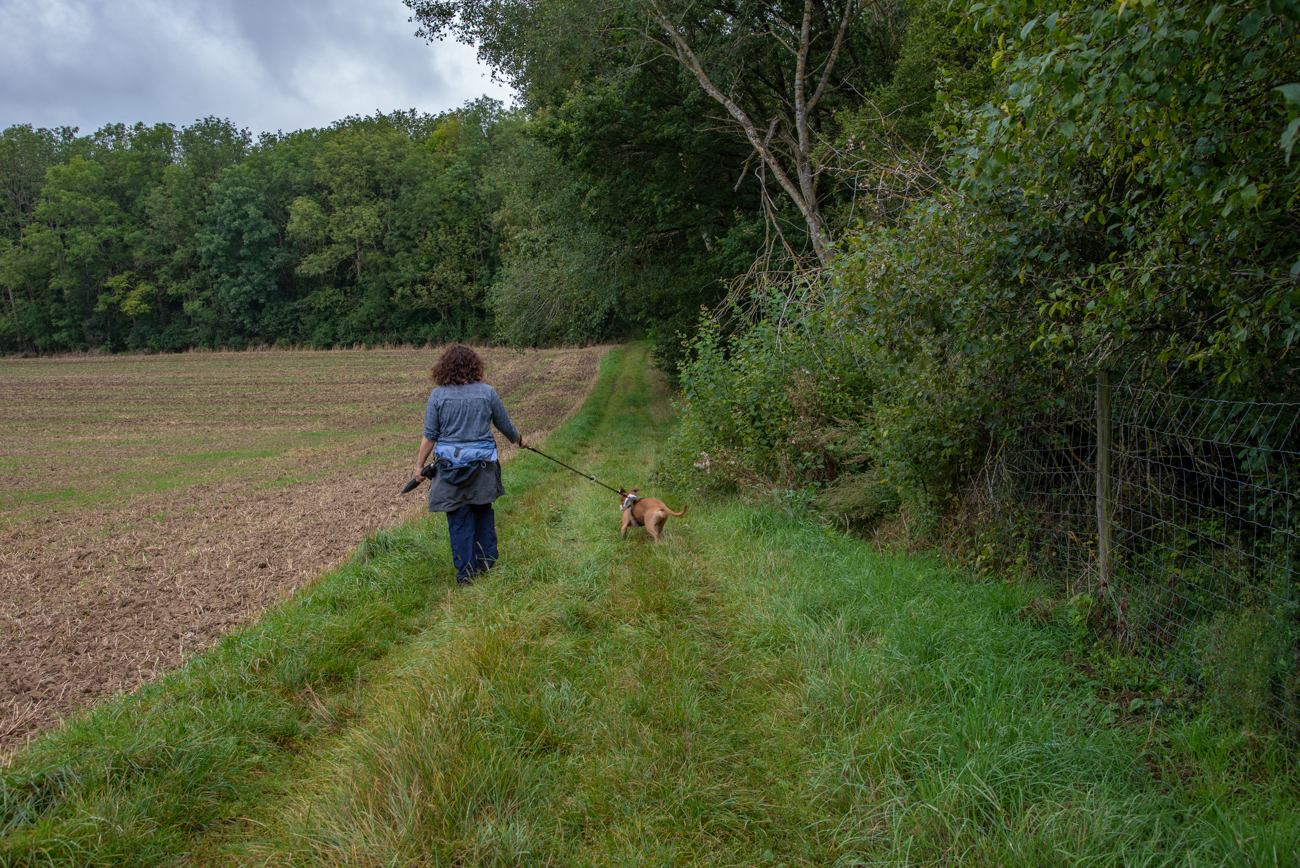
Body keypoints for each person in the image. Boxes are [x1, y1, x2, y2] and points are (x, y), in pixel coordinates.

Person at [416, 345, 526, 586]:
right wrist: (520, 441)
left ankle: (466, 575)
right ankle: (485, 563)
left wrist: (419, 467)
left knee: (459, 519)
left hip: (449, 471)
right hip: (482, 469)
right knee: (482, 511)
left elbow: (430, 435)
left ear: (444, 368)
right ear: (475, 366)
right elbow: (505, 425)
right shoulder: (487, 392)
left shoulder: (437, 395)